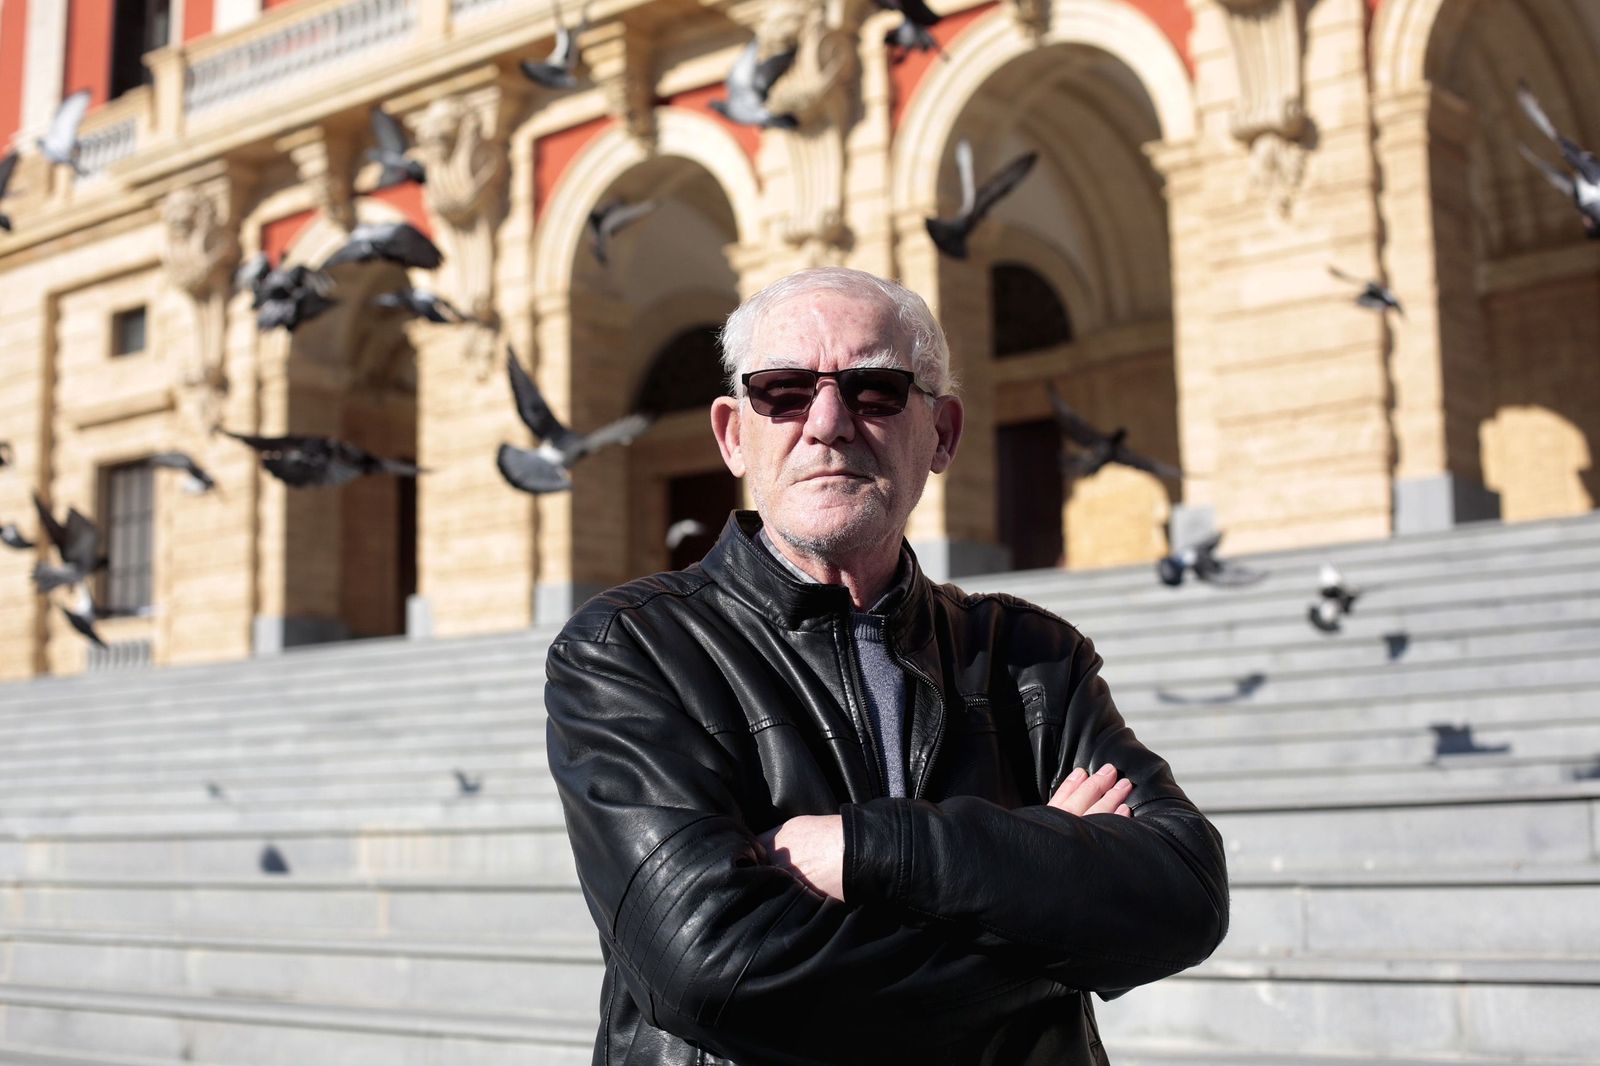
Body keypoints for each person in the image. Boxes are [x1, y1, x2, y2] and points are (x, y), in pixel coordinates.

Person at [545, 267, 1228, 1066]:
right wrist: (1055, 910)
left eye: (874, 390)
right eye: (783, 392)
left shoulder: (1033, 659)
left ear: (943, 434)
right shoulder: (630, 650)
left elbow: (1184, 894)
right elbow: (718, 973)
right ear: (732, 434)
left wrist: (872, 850)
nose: (827, 423)